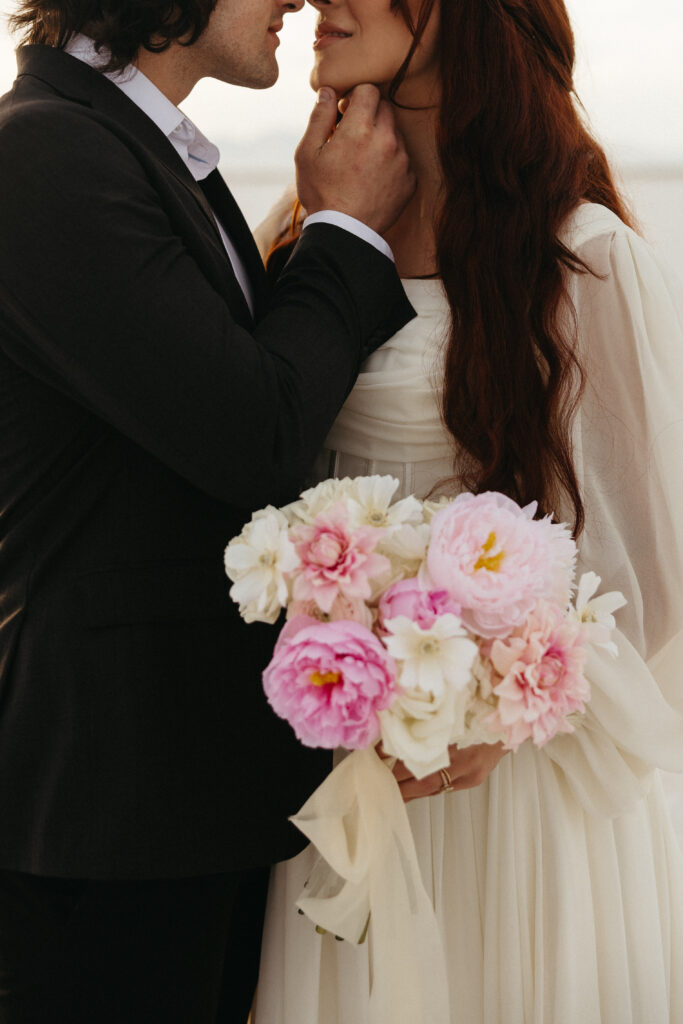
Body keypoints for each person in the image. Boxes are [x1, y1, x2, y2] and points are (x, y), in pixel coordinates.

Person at [253, 0, 683, 1021]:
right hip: (337, 776)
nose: (317, 0)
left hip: (513, 791)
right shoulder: (305, 236)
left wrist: (496, 704)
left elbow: (648, 576)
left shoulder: (579, 254)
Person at [0, 0, 418, 1019]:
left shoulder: (131, 145)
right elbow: (253, 434)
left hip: (179, 799)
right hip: (108, 810)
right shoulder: (46, 153)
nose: (297, 1)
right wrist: (346, 229)